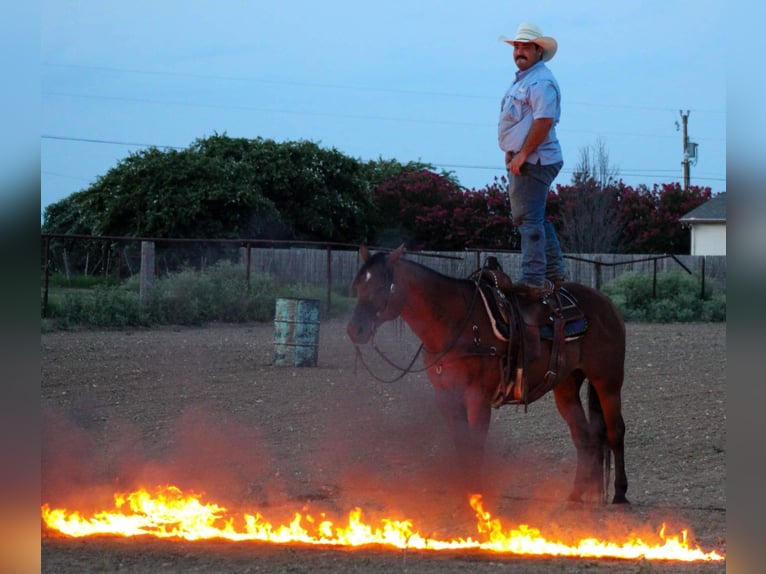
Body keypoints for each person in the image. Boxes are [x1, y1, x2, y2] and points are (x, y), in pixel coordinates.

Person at [498, 22, 566, 299]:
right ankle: (553, 272)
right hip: (529, 158)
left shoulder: (539, 81)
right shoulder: (527, 80)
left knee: (528, 220)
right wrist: (513, 150)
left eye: (526, 47)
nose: (519, 51)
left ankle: (533, 279)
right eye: (517, 46)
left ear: (539, 50)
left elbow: (544, 120)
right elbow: (526, 121)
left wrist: (524, 153)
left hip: (535, 160)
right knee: (533, 218)